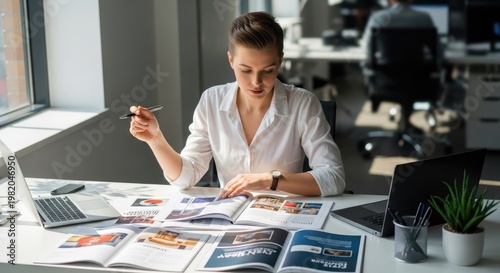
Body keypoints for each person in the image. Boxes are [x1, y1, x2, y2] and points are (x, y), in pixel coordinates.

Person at [128, 11, 345, 198]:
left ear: (280, 60)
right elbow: (185, 178)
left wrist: (269, 179)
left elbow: (333, 177)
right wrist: (156, 139)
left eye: (268, 71)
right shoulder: (211, 101)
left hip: (284, 215)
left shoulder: (303, 103)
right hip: (231, 217)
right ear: (231, 60)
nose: (256, 82)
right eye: (246, 70)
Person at [360, 0, 436, 89]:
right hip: (418, 81)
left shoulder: (377, 18)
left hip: (385, 82)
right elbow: (436, 51)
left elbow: (366, 48)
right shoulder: (425, 18)